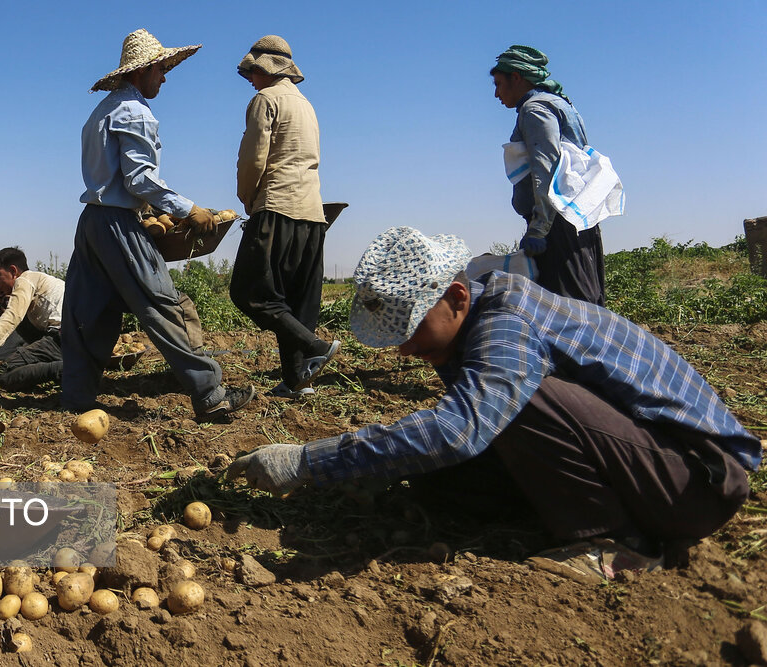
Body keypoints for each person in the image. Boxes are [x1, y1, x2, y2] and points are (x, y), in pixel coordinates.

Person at [228, 227, 761, 583]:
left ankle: (624, 544)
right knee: (443, 477)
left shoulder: (508, 321)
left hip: (696, 482)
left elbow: (462, 429)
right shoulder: (478, 324)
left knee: (513, 403)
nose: (406, 348)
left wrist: (311, 460)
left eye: (411, 328)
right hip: (653, 468)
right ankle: (578, 516)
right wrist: (379, 465)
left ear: (458, 297)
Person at [62, 28, 255, 421]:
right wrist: (188, 209)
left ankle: (76, 396)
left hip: (92, 224)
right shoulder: (135, 112)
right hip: (118, 224)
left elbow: (120, 179)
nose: (165, 77)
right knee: (161, 304)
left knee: (87, 312)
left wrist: (152, 211)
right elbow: (140, 180)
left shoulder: (101, 112)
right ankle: (209, 393)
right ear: (144, 70)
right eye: (163, 69)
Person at [229, 35, 339, 399]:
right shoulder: (307, 105)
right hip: (312, 212)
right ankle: (297, 381)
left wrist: (246, 196)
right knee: (295, 300)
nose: (249, 79)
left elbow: (253, 158)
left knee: (250, 292)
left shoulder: (265, 99)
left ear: (264, 68)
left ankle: (315, 347)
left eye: (252, 71)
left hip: (276, 206)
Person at [491, 45, 606, 306]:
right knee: (585, 301)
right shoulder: (561, 104)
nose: (496, 93)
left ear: (517, 78)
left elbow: (548, 168)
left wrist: (539, 229)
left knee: (568, 309)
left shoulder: (535, 110)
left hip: (557, 226)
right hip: (575, 218)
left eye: (499, 83)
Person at [0, 248, 64, 391]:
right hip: (73, 334)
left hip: (62, 336)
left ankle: (68, 369)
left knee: (2, 375)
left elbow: (12, 316)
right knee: (23, 327)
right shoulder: (40, 279)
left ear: (13, 271)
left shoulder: (24, 280)